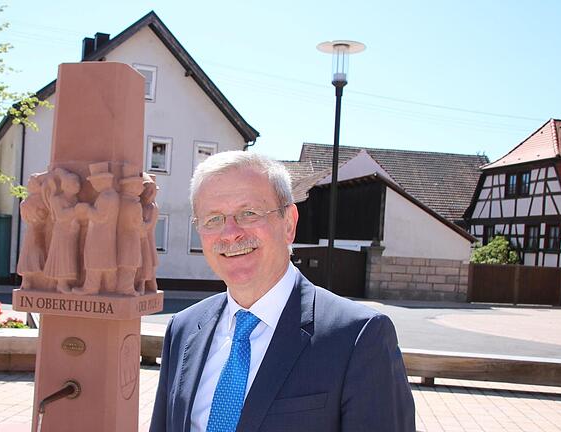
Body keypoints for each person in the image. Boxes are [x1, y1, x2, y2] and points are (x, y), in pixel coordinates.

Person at [150, 151, 415, 432]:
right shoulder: (184, 329)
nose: (230, 233)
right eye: (213, 219)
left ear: (289, 223)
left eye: (248, 213)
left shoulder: (359, 338)